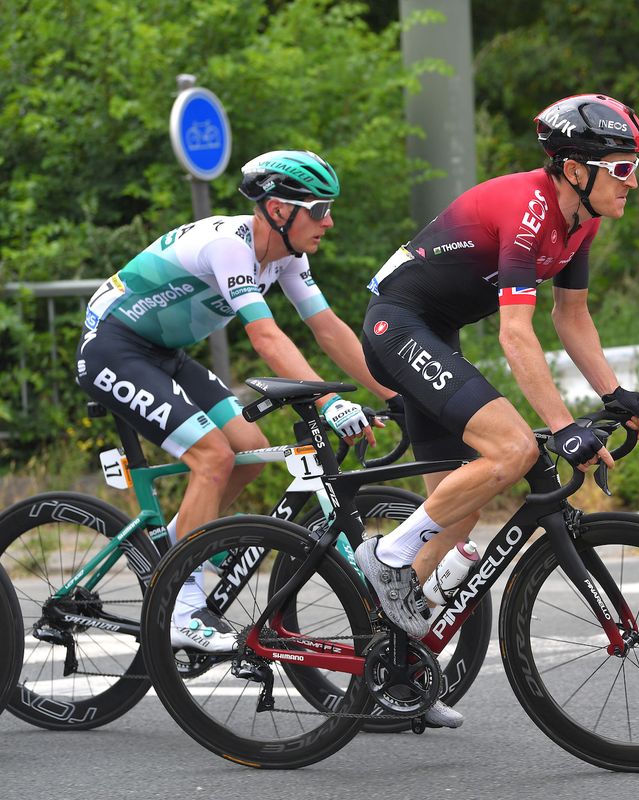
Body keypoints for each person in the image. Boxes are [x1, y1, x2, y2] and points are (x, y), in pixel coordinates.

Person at [356, 94, 639, 728]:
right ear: (576, 168)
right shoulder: (530, 211)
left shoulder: (582, 219)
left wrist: (613, 395)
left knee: (453, 516)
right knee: (514, 449)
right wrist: (562, 427)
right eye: (623, 167)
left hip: (436, 333)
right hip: (399, 325)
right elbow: (516, 334)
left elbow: (570, 316)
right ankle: (384, 557)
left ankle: (390, 672)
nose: (633, 181)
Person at [76, 150, 402, 652]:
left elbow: (329, 330)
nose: (329, 221)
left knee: (247, 453)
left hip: (163, 353)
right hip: (112, 348)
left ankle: (181, 550)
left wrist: (393, 393)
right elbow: (267, 339)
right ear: (277, 210)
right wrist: (327, 403)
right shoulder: (230, 246)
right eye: (318, 209)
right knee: (213, 455)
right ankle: (179, 607)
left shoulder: (290, 257)